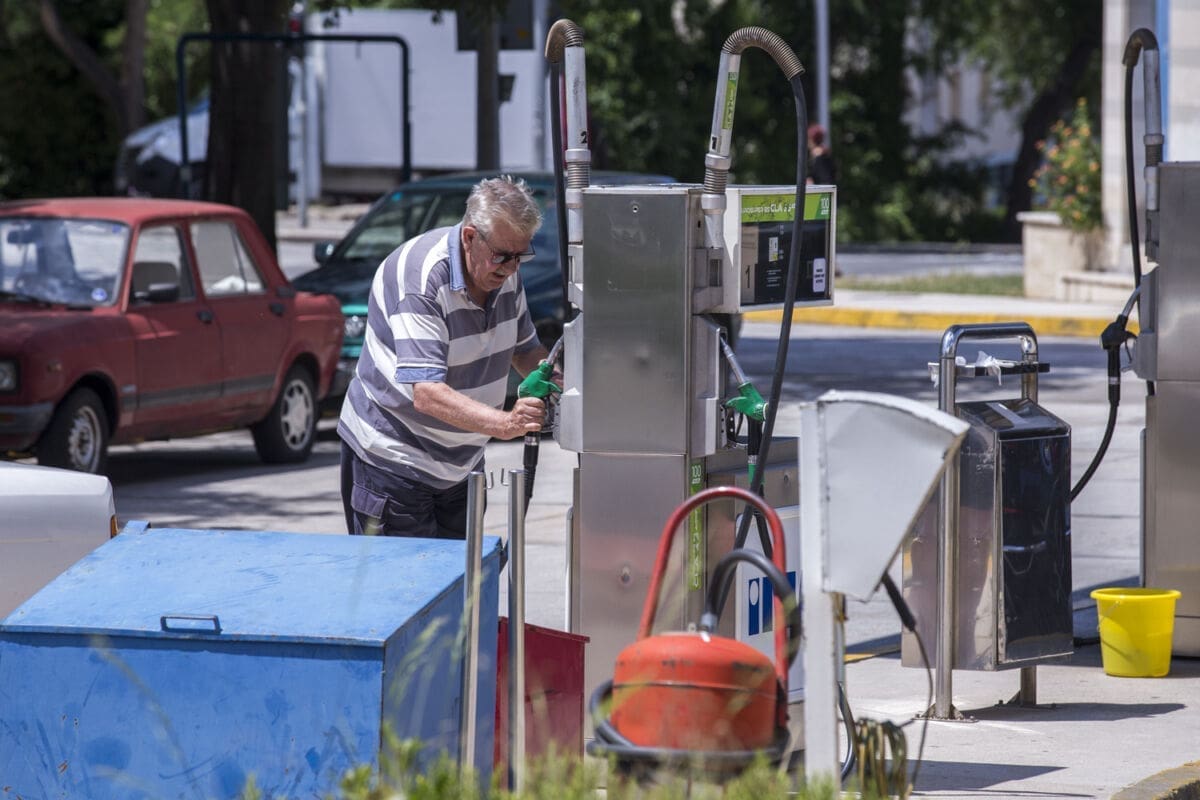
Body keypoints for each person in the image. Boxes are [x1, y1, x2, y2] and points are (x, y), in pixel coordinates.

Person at [338, 175, 554, 538]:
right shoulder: (421, 279)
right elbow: (426, 393)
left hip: (461, 465)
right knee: (404, 591)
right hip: (394, 463)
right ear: (470, 237)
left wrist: (559, 380)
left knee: (459, 588)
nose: (512, 268)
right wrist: (505, 424)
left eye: (521, 256)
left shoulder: (503, 271)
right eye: (502, 256)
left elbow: (526, 349)